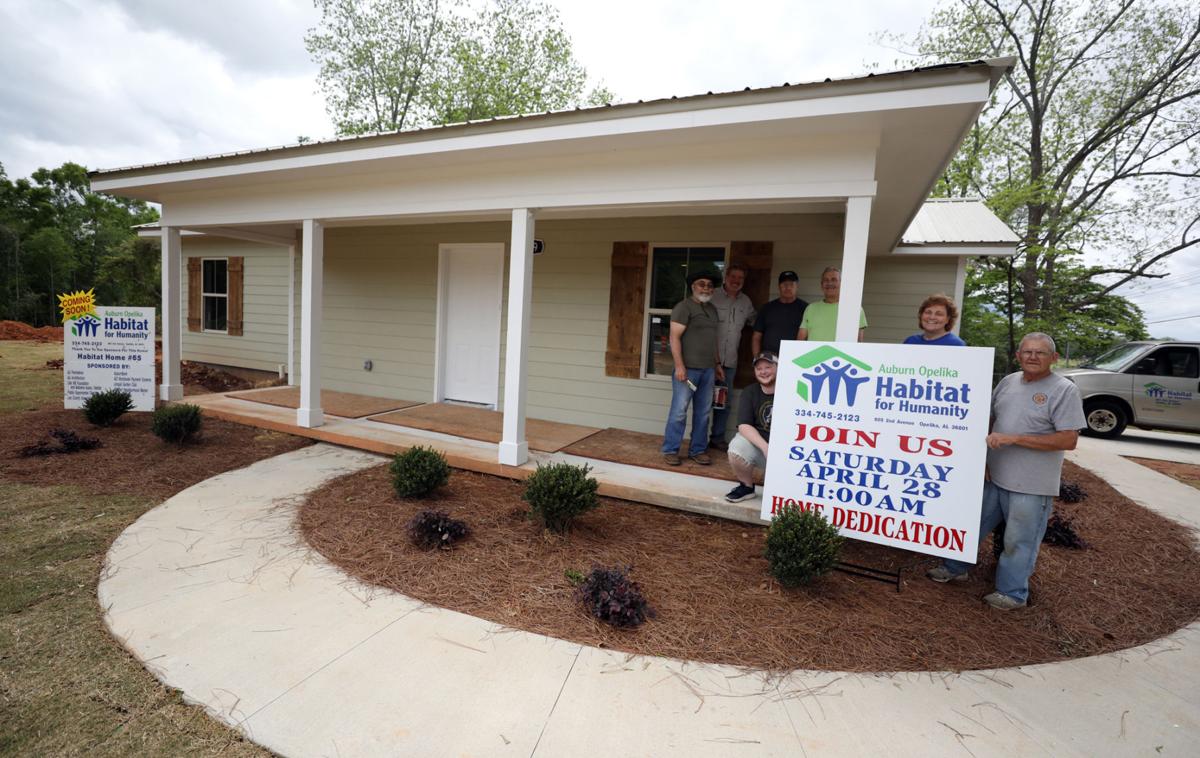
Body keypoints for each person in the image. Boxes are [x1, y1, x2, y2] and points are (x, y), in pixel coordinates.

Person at [927, 332, 1086, 610]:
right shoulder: (1008, 381)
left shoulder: (1064, 390)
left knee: (1018, 541)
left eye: (1040, 352)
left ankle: (1012, 593)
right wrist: (982, 460)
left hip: (1031, 484)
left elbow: (1068, 439)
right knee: (970, 525)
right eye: (1027, 352)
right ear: (1018, 355)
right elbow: (989, 419)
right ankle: (954, 568)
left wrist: (1015, 438)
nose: (1033, 357)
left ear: (1054, 358)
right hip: (994, 475)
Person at [661, 270, 724, 467]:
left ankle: (698, 450)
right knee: (679, 412)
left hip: (708, 370)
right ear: (693, 286)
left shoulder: (712, 309)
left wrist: (717, 364)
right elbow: (674, 338)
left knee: (703, 413)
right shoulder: (683, 307)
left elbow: (713, 339)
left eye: (709, 285)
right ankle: (671, 450)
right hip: (688, 371)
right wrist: (679, 366)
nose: (706, 288)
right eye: (701, 284)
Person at [709, 264, 757, 451]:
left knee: (723, 403)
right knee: (703, 401)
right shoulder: (712, 296)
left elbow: (756, 322)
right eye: (733, 276)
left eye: (740, 278)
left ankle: (716, 438)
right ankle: (698, 443)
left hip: (729, 362)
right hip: (707, 361)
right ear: (725, 277)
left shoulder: (746, 302)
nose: (736, 281)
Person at [724, 351, 777, 502]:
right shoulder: (750, 391)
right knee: (737, 447)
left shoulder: (793, 390)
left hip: (787, 453)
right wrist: (765, 448)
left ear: (778, 367)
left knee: (776, 491)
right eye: (759, 368)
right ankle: (747, 487)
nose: (763, 372)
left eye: (768, 367)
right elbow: (744, 425)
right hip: (762, 449)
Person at [796, 266, 867, 341]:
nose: (829, 283)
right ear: (821, 285)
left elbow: (858, 342)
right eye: (826, 280)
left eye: (834, 280)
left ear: (842, 284)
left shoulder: (854, 309)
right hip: (816, 350)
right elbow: (800, 340)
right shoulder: (811, 308)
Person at [751, 271, 807, 356]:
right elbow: (756, 337)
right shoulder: (767, 308)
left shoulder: (806, 309)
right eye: (784, 284)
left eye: (791, 284)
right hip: (769, 358)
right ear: (779, 286)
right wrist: (756, 358)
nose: (788, 287)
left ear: (797, 286)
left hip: (795, 358)